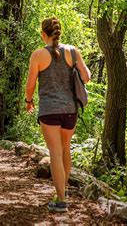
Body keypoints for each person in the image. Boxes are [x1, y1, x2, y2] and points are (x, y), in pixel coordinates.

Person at [24, 17, 91, 212]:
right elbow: (86, 78)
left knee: (55, 152)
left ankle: (61, 200)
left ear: (43, 34)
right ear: (58, 32)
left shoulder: (38, 55)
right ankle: (63, 192)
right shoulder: (72, 51)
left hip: (49, 110)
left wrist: (28, 101)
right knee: (65, 149)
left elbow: (31, 84)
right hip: (70, 109)